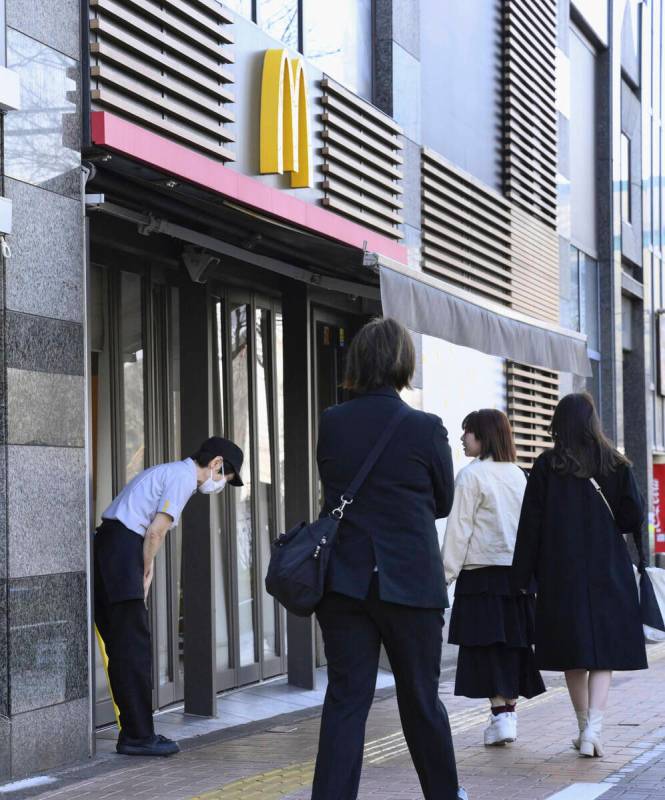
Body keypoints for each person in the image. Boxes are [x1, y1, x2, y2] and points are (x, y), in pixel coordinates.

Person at [311, 317, 467, 800]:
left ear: (357, 362)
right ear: (403, 362)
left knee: (345, 701)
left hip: (346, 583)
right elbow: (443, 502)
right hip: (411, 583)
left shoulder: (333, 422)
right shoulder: (425, 428)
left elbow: (332, 486)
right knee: (420, 700)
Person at [511, 393, 647, 758]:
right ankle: (593, 731)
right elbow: (632, 518)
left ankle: (584, 726)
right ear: (593, 423)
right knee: (603, 654)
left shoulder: (546, 466)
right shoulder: (616, 463)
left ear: (559, 423)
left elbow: (530, 526)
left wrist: (522, 577)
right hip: (608, 569)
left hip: (561, 571)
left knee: (573, 652)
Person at [94, 436, 244, 757]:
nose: (218, 485)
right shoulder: (182, 478)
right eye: (224, 478)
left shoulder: (168, 471)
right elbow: (155, 531)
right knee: (133, 646)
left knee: (123, 644)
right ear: (216, 463)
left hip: (109, 546)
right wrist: (146, 571)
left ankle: (135, 731)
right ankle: (138, 736)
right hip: (123, 550)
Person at [443, 410, 545, 747]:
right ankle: (507, 715)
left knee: (485, 647)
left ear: (483, 436)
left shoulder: (471, 476)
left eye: (467, 432)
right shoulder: (520, 475)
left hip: (480, 576)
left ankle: (501, 715)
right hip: (517, 577)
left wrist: (444, 575)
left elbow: (459, 531)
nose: (462, 438)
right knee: (513, 646)